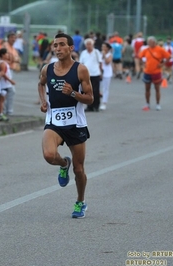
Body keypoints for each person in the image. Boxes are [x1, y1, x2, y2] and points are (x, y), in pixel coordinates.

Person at [37, 33, 93, 218]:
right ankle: (63, 163)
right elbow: (41, 83)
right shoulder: (48, 69)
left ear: (71, 48)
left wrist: (74, 94)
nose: (58, 48)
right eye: (55, 45)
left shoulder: (80, 70)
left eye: (62, 45)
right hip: (54, 122)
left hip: (75, 124)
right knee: (48, 155)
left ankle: (80, 201)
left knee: (79, 169)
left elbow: (90, 98)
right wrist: (43, 101)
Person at [139, 36, 170, 111]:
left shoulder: (160, 49)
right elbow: (140, 56)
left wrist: (162, 64)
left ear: (154, 42)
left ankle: (158, 104)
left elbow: (168, 57)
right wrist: (143, 63)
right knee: (147, 89)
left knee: (157, 89)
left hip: (156, 72)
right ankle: (147, 103)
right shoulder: (146, 50)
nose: (149, 43)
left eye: (150, 42)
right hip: (147, 72)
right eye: (148, 42)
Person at [79, 38, 102, 112]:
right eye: (87, 44)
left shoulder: (96, 52)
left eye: (90, 44)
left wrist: (101, 72)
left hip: (95, 73)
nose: (88, 46)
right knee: (88, 91)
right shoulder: (83, 53)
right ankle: (89, 106)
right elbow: (81, 63)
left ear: (92, 45)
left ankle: (96, 106)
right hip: (86, 75)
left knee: (96, 91)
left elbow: (100, 62)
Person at [100, 42, 113, 111]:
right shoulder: (99, 53)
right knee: (98, 88)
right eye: (102, 47)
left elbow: (107, 62)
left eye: (104, 47)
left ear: (107, 48)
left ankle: (104, 103)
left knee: (105, 88)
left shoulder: (109, 54)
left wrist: (104, 55)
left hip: (107, 73)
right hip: (100, 73)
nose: (103, 48)